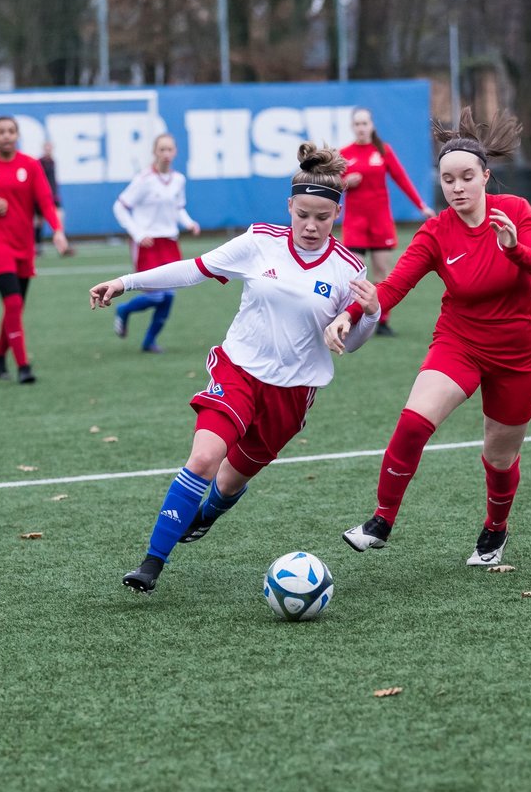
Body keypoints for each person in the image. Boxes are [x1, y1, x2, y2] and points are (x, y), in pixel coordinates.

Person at [89, 142, 381, 593]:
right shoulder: (260, 241)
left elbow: (355, 341)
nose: (310, 225)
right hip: (239, 370)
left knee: (228, 484)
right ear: (290, 206)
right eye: (302, 213)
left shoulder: (349, 268)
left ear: (336, 215)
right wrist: (126, 282)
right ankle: (151, 563)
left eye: (322, 217)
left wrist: (369, 315)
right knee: (205, 458)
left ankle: (206, 515)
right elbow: (194, 269)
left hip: (292, 392)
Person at [327, 108, 531, 568]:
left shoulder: (514, 211)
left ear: (485, 176)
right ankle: (381, 521)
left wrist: (517, 250)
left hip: (518, 352)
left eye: (466, 177)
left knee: (498, 456)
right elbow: (393, 285)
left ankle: (495, 530)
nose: (456, 188)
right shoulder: (436, 231)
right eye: (448, 179)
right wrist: (356, 311)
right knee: (414, 422)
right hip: (460, 342)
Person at [0, 115, 70, 384]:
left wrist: (57, 230)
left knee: (14, 308)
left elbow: (44, 200)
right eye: (1, 131)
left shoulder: (30, 165)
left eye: (11, 131)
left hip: (23, 243)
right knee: (13, 302)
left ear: (17, 135)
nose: (6, 135)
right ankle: (23, 367)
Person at [340, 107, 437, 338]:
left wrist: (421, 205)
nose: (361, 128)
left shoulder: (382, 150)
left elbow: (401, 178)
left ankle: (382, 321)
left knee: (382, 273)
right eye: (357, 124)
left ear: (371, 125)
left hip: (380, 222)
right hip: (355, 223)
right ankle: (352, 319)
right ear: (352, 127)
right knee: (353, 275)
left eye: (365, 123)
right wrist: (345, 182)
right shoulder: (344, 153)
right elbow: (333, 183)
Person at [111, 133, 201, 354]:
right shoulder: (144, 180)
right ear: (154, 152)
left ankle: (149, 341)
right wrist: (138, 233)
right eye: (162, 149)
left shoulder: (178, 179)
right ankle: (123, 310)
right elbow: (120, 207)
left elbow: (179, 208)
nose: (166, 154)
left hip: (169, 241)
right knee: (156, 295)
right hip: (148, 244)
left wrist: (189, 223)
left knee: (169, 296)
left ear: (175, 152)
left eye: (170, 149)